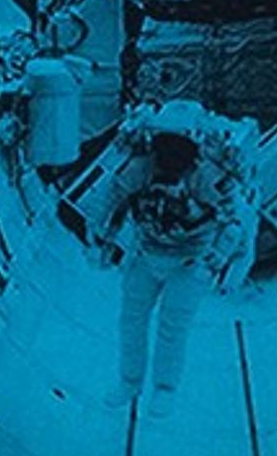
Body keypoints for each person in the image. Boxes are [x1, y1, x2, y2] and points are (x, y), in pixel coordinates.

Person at [105, 117, 245, 414]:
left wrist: (216, 257)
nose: (170, 155)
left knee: (172, 326)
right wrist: (103, 233)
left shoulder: (205, 178)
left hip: (188, 262)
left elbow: (234, 222)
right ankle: (129, 382)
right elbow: (112, 196)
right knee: (131, 321)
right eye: (166, 145)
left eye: (177, 147)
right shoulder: (141, 169)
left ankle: (164, 388)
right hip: (147, 254)